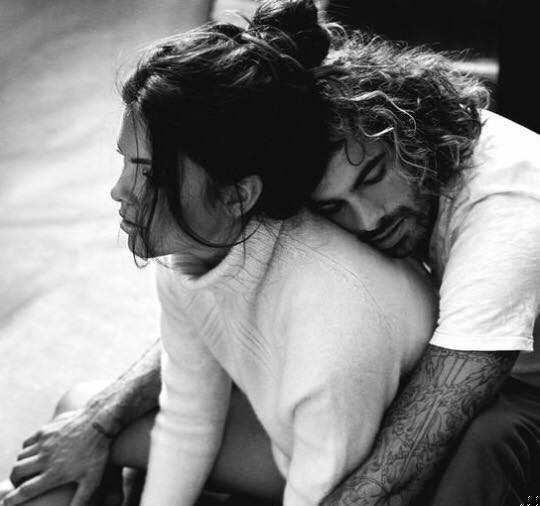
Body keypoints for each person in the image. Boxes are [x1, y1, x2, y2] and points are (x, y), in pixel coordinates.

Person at [1, 2, 438, 506]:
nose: (119, 192)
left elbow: (323, 491)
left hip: (361, 475)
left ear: (238, 195)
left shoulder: (334, 324)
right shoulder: (190, 252)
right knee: (73, 420)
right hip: (284, 437)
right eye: (126, 163)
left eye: (149, 173)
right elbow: (187, 420)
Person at [309, 29, 540, 506]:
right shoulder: (421, 177)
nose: (367, 219)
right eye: (334, 207)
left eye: (372, 176)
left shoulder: (508, 200)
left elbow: (402, 466)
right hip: (512, 376)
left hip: (522, 388)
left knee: (480, 443)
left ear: (409, 131)